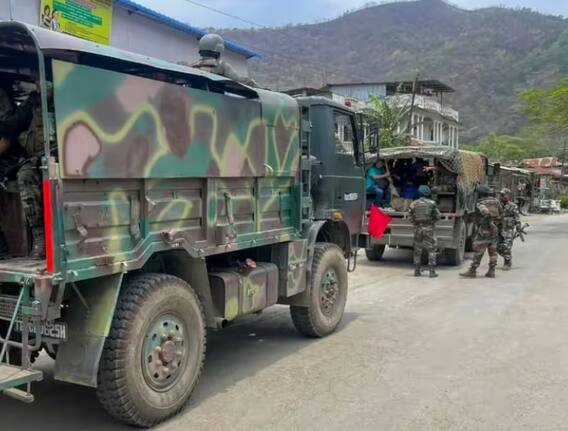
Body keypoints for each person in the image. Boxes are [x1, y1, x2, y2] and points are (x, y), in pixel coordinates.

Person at [0, 83, 45, 259]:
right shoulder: (32, 103)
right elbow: (12, 126)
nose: (39, 84)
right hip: (33, 158)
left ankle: (41, 240)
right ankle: (39, 238)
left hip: (62, 156)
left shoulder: (63, 98)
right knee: (25, 175)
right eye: (37, 80)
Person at [460, 185, 503, 278]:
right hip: (494, 230)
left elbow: (486, 212)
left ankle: (472, 270)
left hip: (485, 229)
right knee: (493, 251)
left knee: (478, 250)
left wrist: (488, 222)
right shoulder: (496, 201)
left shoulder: (480, 203)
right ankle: (491, 271)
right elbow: (501, 213)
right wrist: (496, 224)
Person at [191, 34, 258, 87]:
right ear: (218, 51)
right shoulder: (222, 65)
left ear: (201, 51)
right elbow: (237, 80)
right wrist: (251, 82)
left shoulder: (193, 66)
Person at [409, 185, 441, 278]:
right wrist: (431, 222)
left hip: (417, 229)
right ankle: (432, 272)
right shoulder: (432, 203)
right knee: (431, 249)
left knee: (417, 250)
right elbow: (438, 216)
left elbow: (410, 217)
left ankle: (416, 271)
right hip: (429, 228)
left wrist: (416, 224)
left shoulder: (413, 204)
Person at [497, 188, 521, 270]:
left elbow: (517, 218)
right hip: (499, 229)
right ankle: (508, 258)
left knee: (507, 247)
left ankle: (507, 262)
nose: (501, 196)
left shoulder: (513, 206)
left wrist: (518, 228)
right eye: (501, 195)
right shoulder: (498, 205)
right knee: (497, 247)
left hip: (508, 229)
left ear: (508, 195)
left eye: (503, 195)